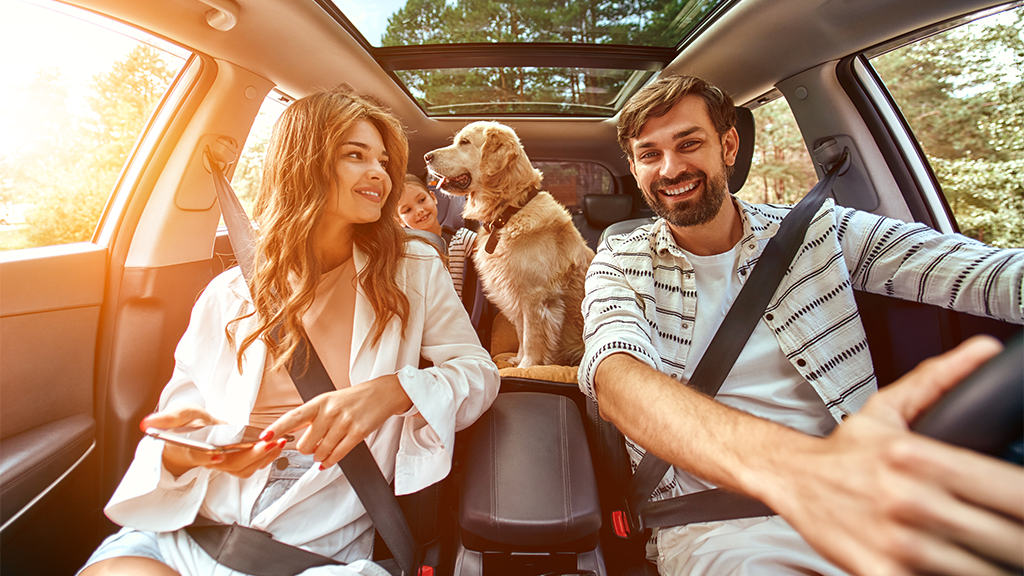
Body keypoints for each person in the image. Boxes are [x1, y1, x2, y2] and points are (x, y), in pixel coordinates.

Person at [579, 74, 1024, 576]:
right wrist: (804, 474)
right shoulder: (619, 260)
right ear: (635, 169)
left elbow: (979, 272)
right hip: (715, 526)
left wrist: (837, 478)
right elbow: (615, 376)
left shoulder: (819, 230)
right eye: (649, 154)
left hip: (866, 493)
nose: (671, 168)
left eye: (689, 143)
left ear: (728, 145)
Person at [80, 90, 499, 576]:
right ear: (303, 163)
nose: (379, 174)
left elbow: (479, 373)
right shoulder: (229, 291)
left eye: (383, 160)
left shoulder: (414, 270)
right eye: (354, 155)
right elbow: (181, 419)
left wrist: (395, 391)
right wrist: (186, 451)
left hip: (319, 542)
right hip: (192, 525)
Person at [396, 173, 478, 299]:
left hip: (455, 315)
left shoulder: (459, 238)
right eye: (407, 210)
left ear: (433, 197)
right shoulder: (407, 253)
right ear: (400, 221)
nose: (419, 210)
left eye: (422, 200)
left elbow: (493, 249)